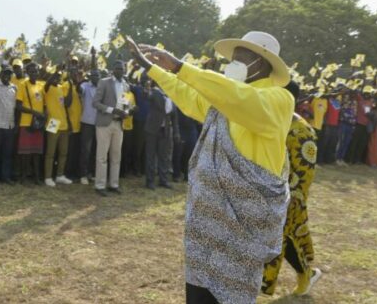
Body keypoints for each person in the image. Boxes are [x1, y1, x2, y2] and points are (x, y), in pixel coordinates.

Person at [128, 31, 293, 304]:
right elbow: (188, 95)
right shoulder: (223, 99)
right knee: (199, 292)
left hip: (242, 226)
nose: (234, 63)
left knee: (230, 293)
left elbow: (241, 100)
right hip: (206, 224)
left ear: (262, 63)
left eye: (243, 58)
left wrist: (180, 66)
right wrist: (152, 68)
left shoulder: (278, 99)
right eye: (233, 57)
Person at [262, 81, 322, 296]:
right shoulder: (277, 121)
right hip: (269, 192)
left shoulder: (301, 131)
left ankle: (306, 274)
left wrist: (286, 198)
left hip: (289, 195)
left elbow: (304, 172)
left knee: (283, 238)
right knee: (279, 239)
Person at [92, 60, 130, 197]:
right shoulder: (104, 82)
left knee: (116, 156)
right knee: (102, 156)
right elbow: (95, 103)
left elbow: (125, 103)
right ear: (113, 69)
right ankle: (100, 185)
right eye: (117, 68)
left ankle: (114, 184)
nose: (120, 70)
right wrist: (111, 110)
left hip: (118, 124)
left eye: (122, 68)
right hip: (105, 123)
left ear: (125, 70)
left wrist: (126, 111)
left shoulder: (126, 85)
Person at [15, 62, 46, 184]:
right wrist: (34, 112)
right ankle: (23, 177)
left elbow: (44, 103)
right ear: (27, 73)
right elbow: (18, 105)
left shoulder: (41, 85)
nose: (34, 73)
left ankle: (37, 177)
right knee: (25, 153)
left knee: (36, 152)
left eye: (36, 71)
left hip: (38, 124)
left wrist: (43, 114)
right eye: (32, 71)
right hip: (26, 123)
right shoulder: (23, 85)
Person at [42, 71, 74, 187]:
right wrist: (56, 72)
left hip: (63, 124)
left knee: (63, 152)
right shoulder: (48, 87)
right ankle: (48, 177)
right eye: (55, 77)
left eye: (59, 77)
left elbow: (68, 103)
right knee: (50, 153)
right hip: (53, 123)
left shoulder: (61, 88)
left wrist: (70, 86)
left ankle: (60, 175)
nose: (57, 79)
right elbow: (48, 83)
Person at [144, 80, 177, 190]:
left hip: (165, 130)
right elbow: (148, 96)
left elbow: (174, 116)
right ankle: (150, 181)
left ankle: (163, 180)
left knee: (164, 157)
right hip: (152, 130)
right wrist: (147, 89)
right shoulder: (155, 93)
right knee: (151, 156)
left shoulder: (171, 96)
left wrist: (176, 132)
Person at [78, 69, 100, 185]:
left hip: (99, 123)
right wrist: (78, 81)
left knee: (95, 150)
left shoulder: (102, 87)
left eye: (97, 75)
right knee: (86, 150)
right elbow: (79, 90)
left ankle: (92, 173)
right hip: (87, 122)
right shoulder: (85, 85)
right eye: (93, 75)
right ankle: (83, 174)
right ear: (90, 77)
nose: (95, 77)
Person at [335, 90, 357, 166]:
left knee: (346, 143)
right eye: (354, 93)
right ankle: (337, 158)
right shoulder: (344, 100)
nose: (355, 94)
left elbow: (355, 113)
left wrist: (354, 125)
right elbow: (342, 110)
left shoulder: (355, 102)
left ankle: (341, 158)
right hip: (343, 123)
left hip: (351, 124)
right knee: (341, 141)